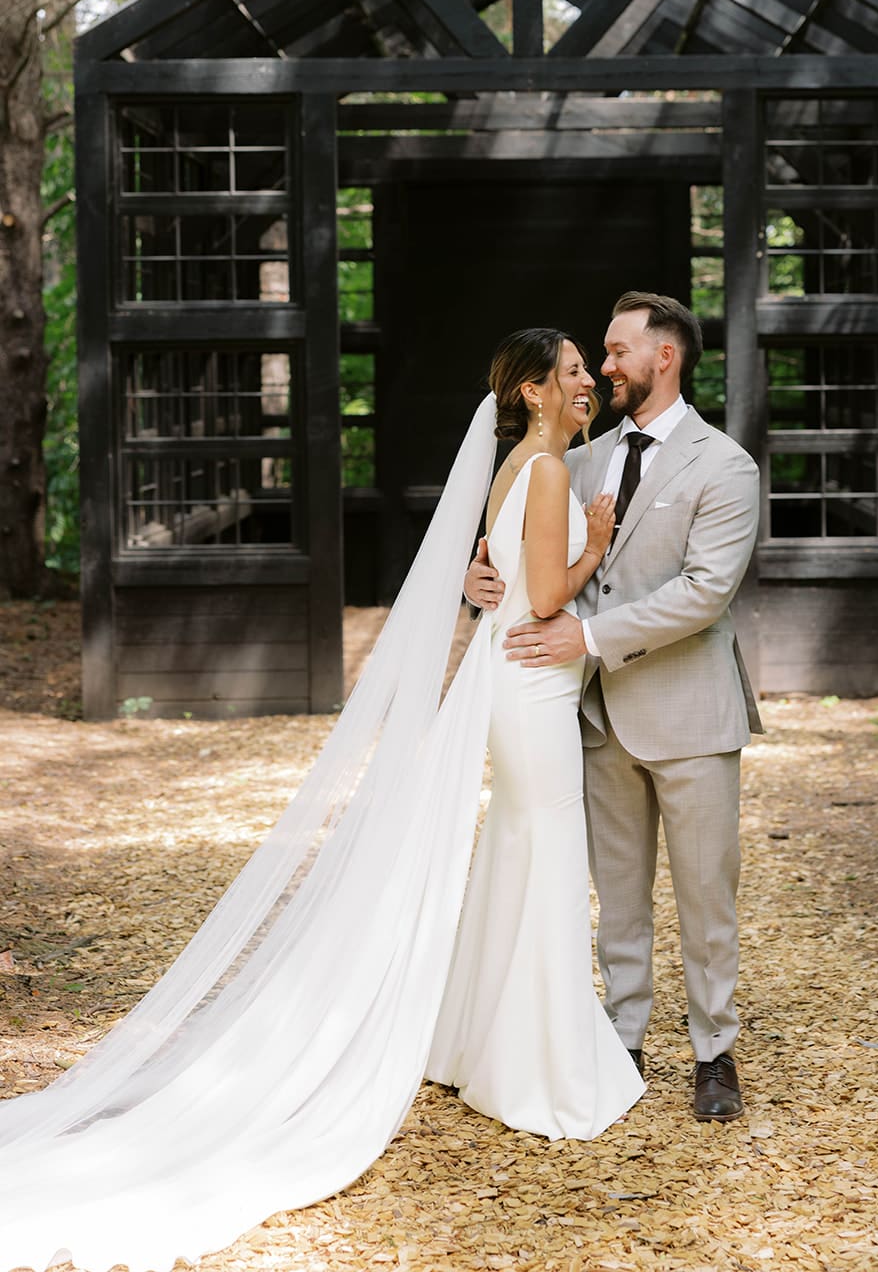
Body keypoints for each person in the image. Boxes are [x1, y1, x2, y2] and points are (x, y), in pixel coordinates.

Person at [0, 329, 641, 1272]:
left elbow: (495, 584)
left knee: (519, 847)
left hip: (502, 686)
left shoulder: (513, 465)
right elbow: (543, 599)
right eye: (576, 371)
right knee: (546, 851)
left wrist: (501, 582)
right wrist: (595, 543)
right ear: (539, 391)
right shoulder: (548, 476)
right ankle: (544, 1065)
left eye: (591, 368)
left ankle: (495, 1044)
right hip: (532, 682)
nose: (589, 380)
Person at [465, 292, 762, 1123]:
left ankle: (713, 1051)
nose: (603, 367)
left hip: (689, 715)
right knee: (617, 894)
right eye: (597, 354)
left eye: (617, 350)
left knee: (706, 897)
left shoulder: (723, 465)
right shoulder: (579, 458)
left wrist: (586, 640)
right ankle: (619, 1035)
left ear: (663, 356)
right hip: (590, 716)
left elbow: (702, 595)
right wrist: (480, 580)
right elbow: (528, 552)